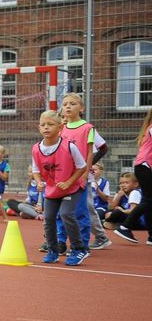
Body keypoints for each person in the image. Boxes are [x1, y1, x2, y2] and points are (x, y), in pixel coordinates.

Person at [32, 109, 90, 265]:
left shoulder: (69, 146)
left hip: (71, 188)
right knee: (48, 218)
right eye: (43, 125)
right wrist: (38, 182)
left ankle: (79, 249)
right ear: (39, 128)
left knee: (66, 214)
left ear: (60, 127)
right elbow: (36, 170)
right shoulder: (36, 148)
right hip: (52, 190)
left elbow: (82, 167)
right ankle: (53, 250)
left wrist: (69, 182)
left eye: (50, 124)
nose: (46, 127)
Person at [56, 94, 111, 251]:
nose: (68, 107)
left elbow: (103, 148)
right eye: (65, 104)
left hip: (82, 175)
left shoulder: (87, 128)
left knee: (85, 208)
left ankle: (98, 238)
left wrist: (87, 167)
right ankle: (59, 240)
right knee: (62, 209)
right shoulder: (61, 129)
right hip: (65, 176)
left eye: (72, 104)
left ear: (81, 108)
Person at [115, 108, 152, 245]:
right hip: (145, 166)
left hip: (143, 166)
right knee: (149, 200)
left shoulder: (148, 128)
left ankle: (151, 236)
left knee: (149, 201)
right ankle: (125, 226)